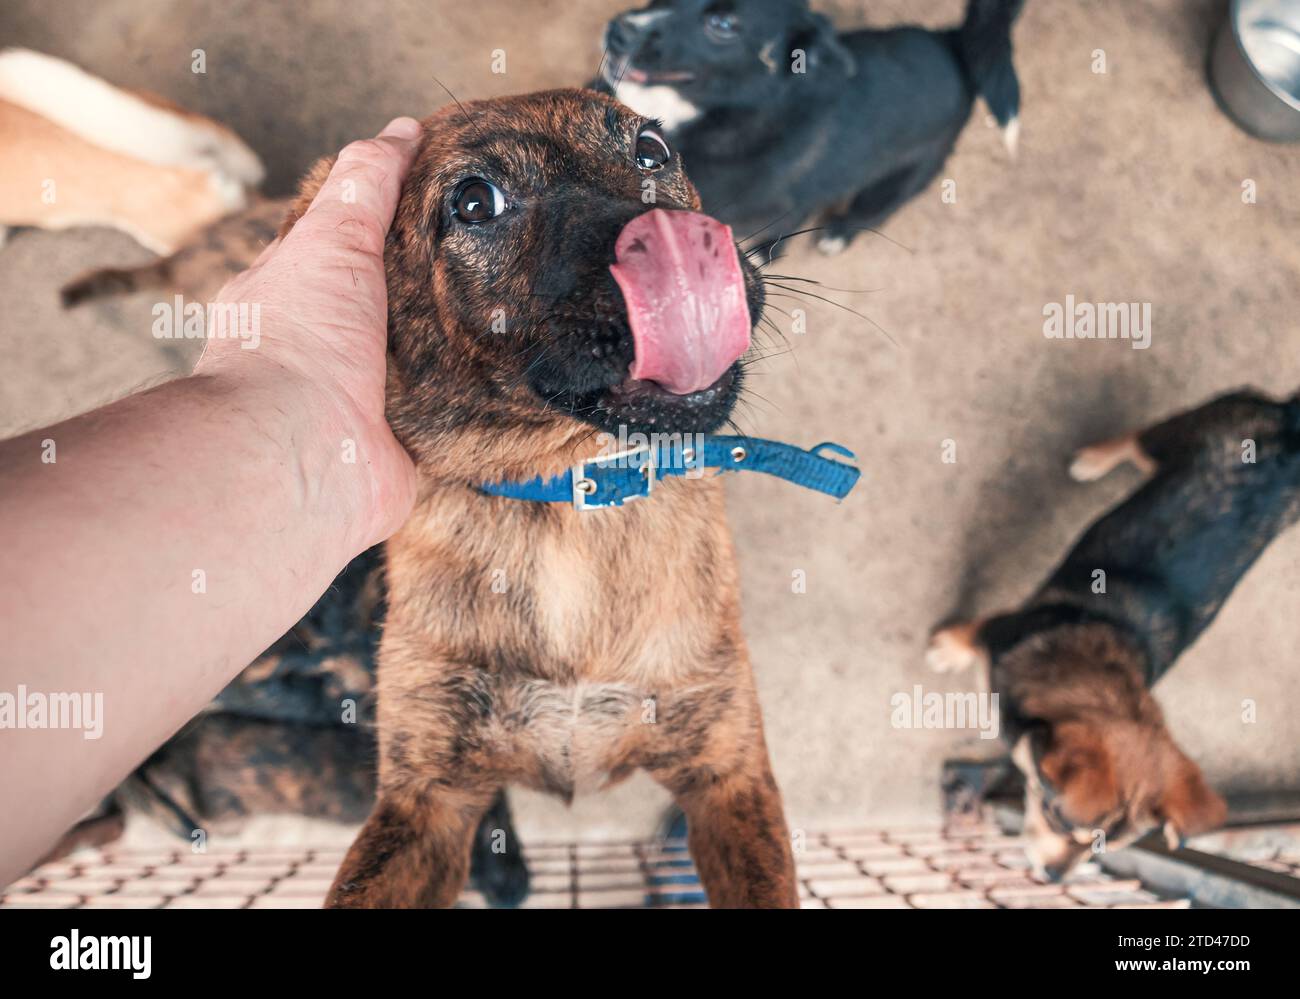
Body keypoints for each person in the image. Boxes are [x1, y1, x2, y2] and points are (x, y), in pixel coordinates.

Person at [0, 117, 424, 886]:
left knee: (356, 714)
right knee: (373, 759)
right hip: (118, 783)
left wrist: (298, 401)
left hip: (106, 763)